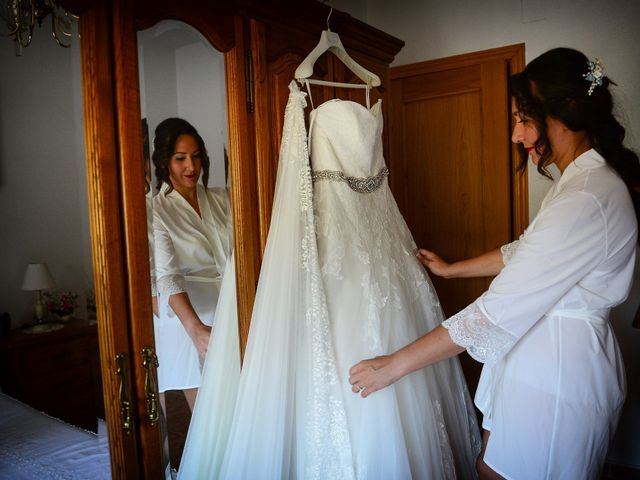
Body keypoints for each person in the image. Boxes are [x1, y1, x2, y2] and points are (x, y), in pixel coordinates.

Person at [349, 47, 640, 480]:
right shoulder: (580, 181)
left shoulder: (587, 197)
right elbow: (526, 251)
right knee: (491, 468)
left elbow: (495, 311)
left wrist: (394, 365)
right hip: (540, 364)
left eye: (524, 119)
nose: (515, 134)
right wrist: (451, 269)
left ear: (567, 113)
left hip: (556, 377)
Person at [151, 117, 232, 412]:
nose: (191, 167)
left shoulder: (221, 199)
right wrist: (195, 328)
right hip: (189, 317)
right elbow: (166, 275)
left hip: (232, 306)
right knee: (209, 417)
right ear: (163, 162)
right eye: (180, 158)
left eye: (196, 156)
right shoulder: (156, 209)